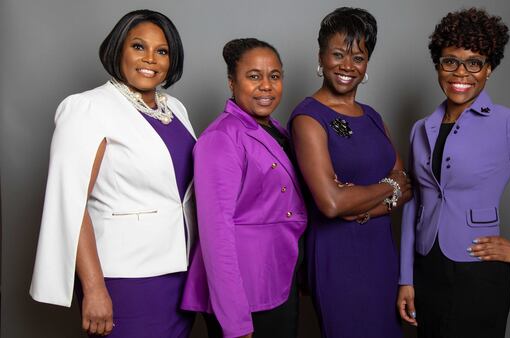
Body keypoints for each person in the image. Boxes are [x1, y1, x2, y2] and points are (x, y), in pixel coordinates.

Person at [396, 8, 510, 338]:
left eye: (475, 62)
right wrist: (406, 278)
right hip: (427, 269)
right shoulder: (420, 129)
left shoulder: (507, 124)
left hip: (477, 273)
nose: (461, 72)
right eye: (450, 61)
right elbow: (415, 204)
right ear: (438, 64)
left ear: (489, 69)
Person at [29, 9, 196, 337]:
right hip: (124, 277)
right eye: (138, 47)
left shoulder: (174, 109)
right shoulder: (87, 107)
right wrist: (93, 288)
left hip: (181, 273)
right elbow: (69, 204)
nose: (150, 59)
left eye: (161, 51)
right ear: (118, 49)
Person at [288, 7, 411, 338]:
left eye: (357, 57)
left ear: (367, 62)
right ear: (321, 57)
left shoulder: (371, 116)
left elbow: (408, 186)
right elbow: (331, 204)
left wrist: (358, 208)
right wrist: (389, 185)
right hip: (338, 256)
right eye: (338, 54)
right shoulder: (308, 118)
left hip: (381, 254)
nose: (347, 66)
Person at [181, 38, 307, 338]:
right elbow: (216, 235)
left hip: (277, 278)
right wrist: (234, 321)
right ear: (231, 82)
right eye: (254, 76)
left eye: (274, 76)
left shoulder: (275, 129)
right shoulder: (221, 138)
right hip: (244, 292)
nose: (266, 85)